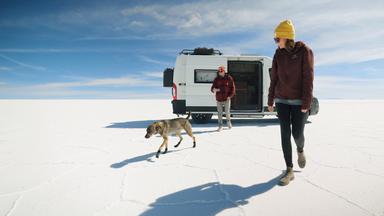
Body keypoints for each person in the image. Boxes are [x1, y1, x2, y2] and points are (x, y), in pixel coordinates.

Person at [268, 20, 314, 186]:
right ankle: (289, 169)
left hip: (298, 101)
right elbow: (274, 78)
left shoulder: (304, 52)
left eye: (277, 38)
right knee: (284, 133)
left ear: (286, 37)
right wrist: (270, 99)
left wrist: (306, 102)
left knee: (297, 134)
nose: (275, 41)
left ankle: (300, 150)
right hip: (281, 100)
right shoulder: (277, 54)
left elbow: (308, 79)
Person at [211, 66, 236, 131]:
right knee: (220, 113)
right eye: (219, 71)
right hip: (219, 99)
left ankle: (228, 123)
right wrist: (214, 90)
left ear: (224, 71)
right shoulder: (216, 79)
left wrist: (230, 96)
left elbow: (233, 88)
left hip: (227, 98)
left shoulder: (229, 78)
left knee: (227, 112)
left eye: (221, 71)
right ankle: (220, 126)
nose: (220, 73)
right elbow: (212, 88)